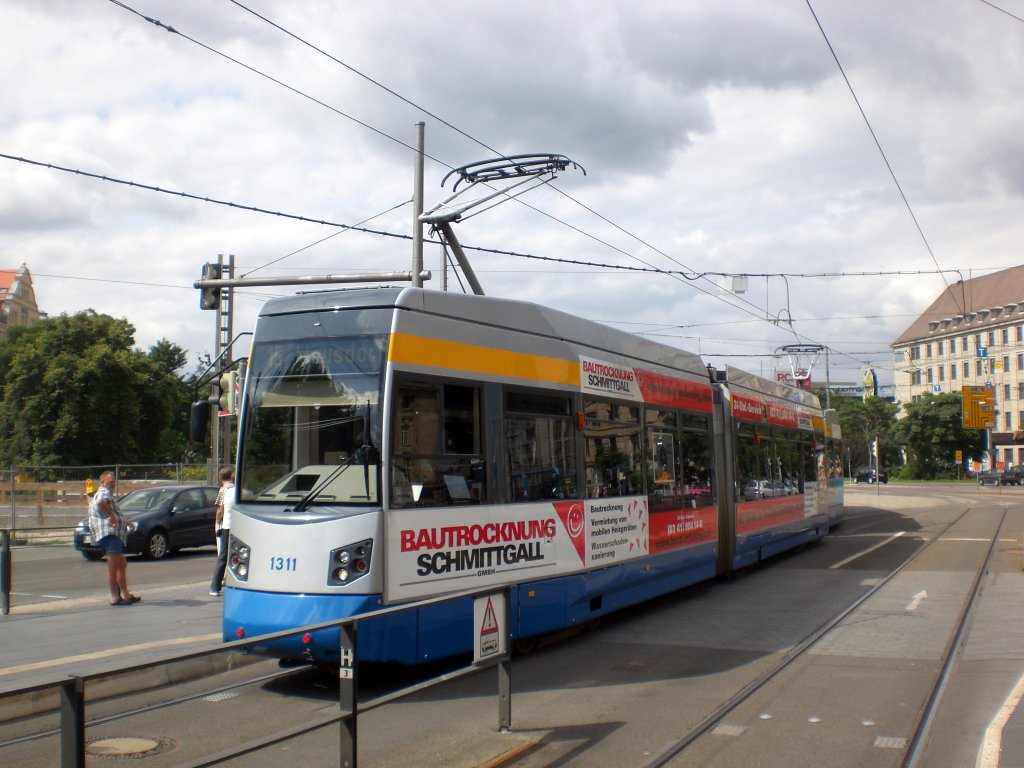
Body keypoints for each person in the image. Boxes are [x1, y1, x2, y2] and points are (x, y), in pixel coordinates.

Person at [87, 471, 140, 606]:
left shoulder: (104, 493)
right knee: (113, 566)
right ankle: (115, 597)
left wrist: (125, 522)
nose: (113, 483)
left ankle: (125, 594)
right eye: (111, 481)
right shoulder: (103, 493)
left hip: (111, 533)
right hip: (109, 533)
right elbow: (100, 503)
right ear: (102, 482)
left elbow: (113, 511)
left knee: (121, 564)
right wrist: (111, 516)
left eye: (114, 481)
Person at [209, 467, 235, 596]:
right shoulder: (236, 490)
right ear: (231, 476)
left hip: (226, 526)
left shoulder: (223, 490)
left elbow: (219, 510)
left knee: (223, 556)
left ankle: (215, 586)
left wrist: (217, 524)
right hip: (237, 527)